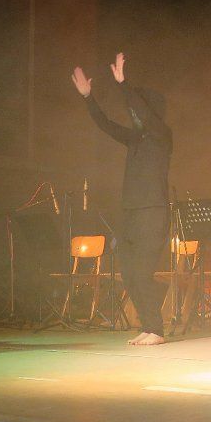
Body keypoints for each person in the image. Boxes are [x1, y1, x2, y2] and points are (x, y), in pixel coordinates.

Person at [72, 53, 172, 346]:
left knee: (142, 272)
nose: (134, 115)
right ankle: (148, 325)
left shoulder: (162, 135)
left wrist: (122, 84)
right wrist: (88, 97)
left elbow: (143, 111)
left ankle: (156, 329)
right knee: (128, 273)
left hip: (153, 212)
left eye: (139, 110)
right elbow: (105, 124)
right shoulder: (134, 139)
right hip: (130, 212)